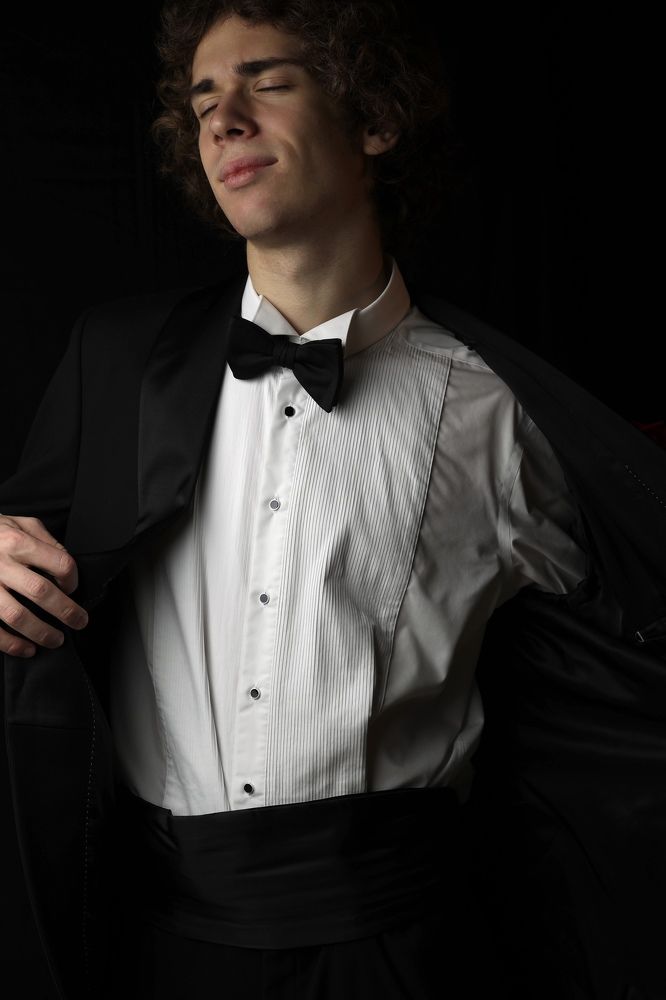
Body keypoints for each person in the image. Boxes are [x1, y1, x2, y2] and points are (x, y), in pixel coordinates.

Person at [1, 1, 664, 998]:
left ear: (374, 120)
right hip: (153, 943)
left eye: (268, 82)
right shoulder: (117, 360)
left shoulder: (500, 410)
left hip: (406, 949)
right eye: (203, 103)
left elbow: (621, 658)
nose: (225, 120)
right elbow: (24, 552)